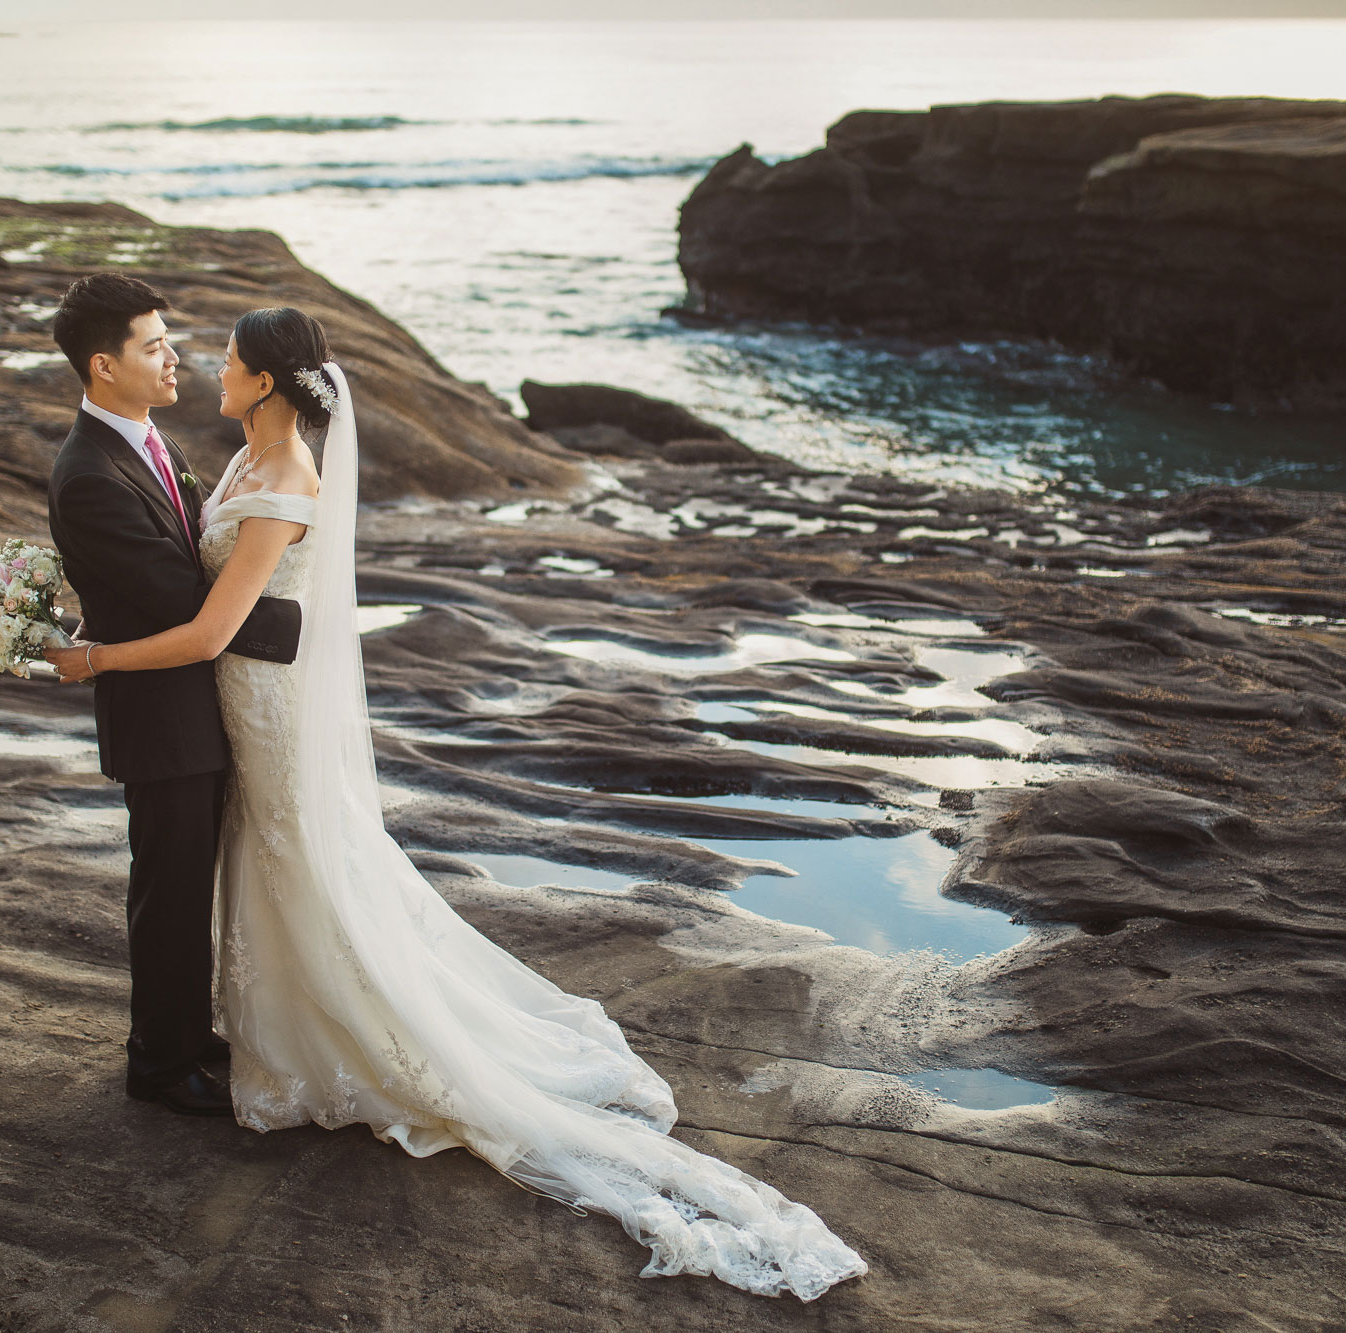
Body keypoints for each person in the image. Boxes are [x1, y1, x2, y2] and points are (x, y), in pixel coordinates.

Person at [44, 307, 866, 1300]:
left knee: (298, 861)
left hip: (253, 701)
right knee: (262, 870)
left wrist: (91, 659)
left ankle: (345, 1038)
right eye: (176, 348)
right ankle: (259, 1036)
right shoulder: (222, 459)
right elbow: (168, 569)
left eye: (227, 359)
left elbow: (215, 623)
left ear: (266, 383)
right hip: (230, 708)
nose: (204, 365)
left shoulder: (288, 477)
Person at [45, 273, 232, 1117]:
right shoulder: (89, 475)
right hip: (163, 714)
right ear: (102, 365)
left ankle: (188, 1030)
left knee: (193, 881)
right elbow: (178, 594)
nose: (173, 358)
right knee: (170, 891)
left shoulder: (151, 444)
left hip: (196, 701)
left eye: (169, 341)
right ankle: (159, 1063)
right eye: (152, 347)